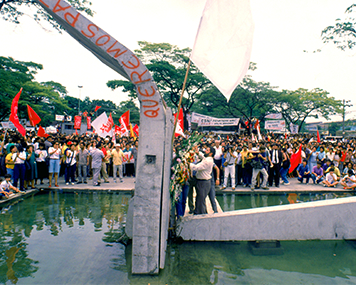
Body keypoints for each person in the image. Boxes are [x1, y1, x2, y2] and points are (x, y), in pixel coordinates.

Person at [189, 146, 215, 215]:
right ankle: (200, 212)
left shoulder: (207, 161)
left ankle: (201, 214)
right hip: (203, 182)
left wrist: (188, 164)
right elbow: (203, 157)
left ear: (211, 153)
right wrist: (198, 153)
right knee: (200, 199)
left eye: (207, 150)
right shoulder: (207, 159)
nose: (205, 150)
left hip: (203, 182)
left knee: (200, 200)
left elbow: (196, 167)